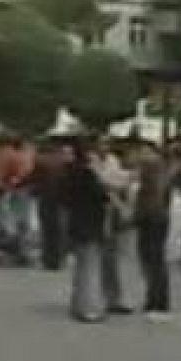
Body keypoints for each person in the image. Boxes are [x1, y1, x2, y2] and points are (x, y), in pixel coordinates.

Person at [61, 139, 112, 324]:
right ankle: (89, 308)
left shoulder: (69, 173)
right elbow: (102, 196)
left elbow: (64, 199)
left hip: (76, 223)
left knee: (81, 266)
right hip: (91, 223)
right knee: (91, 267)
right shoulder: (88, 174)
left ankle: (77, 303)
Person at [130, 139, 173, 320]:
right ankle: (156, 299)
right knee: (155, 259)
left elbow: (149, 196)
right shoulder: (161, 169)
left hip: (150, 217)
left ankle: (157, 300)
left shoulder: (151, 168)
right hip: (158, 216)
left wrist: (136, 215)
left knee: (151, 259)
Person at [91, 138, 135, 315]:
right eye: (101, 144)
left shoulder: (113, 161)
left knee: (116, 258)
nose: (104, 147)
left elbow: (117, 184)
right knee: (103, 259)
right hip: (100, 215)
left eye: (106, 144)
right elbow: (103, 183)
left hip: (115, 215)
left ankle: (117, 298)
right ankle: (105, 297)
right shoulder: (92, 163)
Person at [34, 139, 72, 272]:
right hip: (62, 200)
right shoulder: (65, 161)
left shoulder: (40, 160)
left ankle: (48, 259)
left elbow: (34, 180)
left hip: (46, 199)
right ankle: (59, 259)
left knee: (47, 230)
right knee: (61, 230)